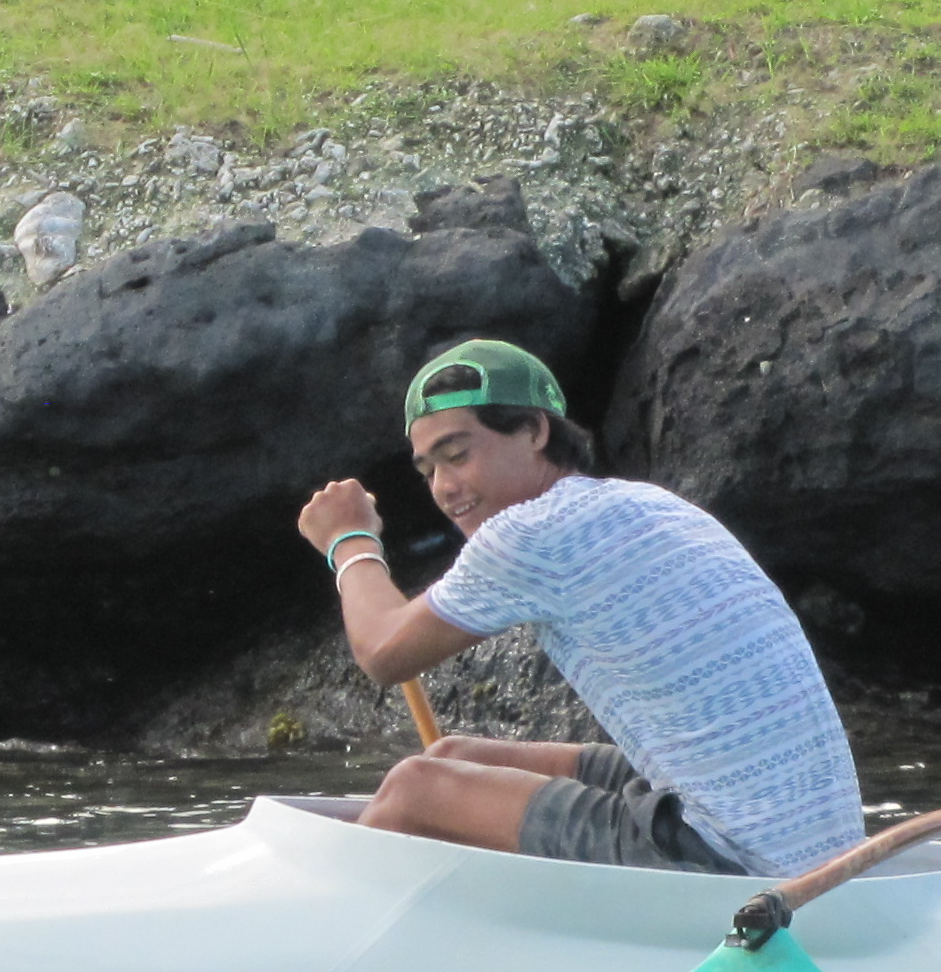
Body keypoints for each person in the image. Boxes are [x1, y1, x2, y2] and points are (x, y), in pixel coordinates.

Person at [293, 339, 865, 880]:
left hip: (743, 866)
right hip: (817, 849)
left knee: (415, 788)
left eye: (458, 454)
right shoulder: (648, 501)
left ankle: (318, 951)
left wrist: (350, 540)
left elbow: (384, 652)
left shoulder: (531, 533)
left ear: (535, 430)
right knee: (453, 754)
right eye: (429, 471)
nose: (443, 487)